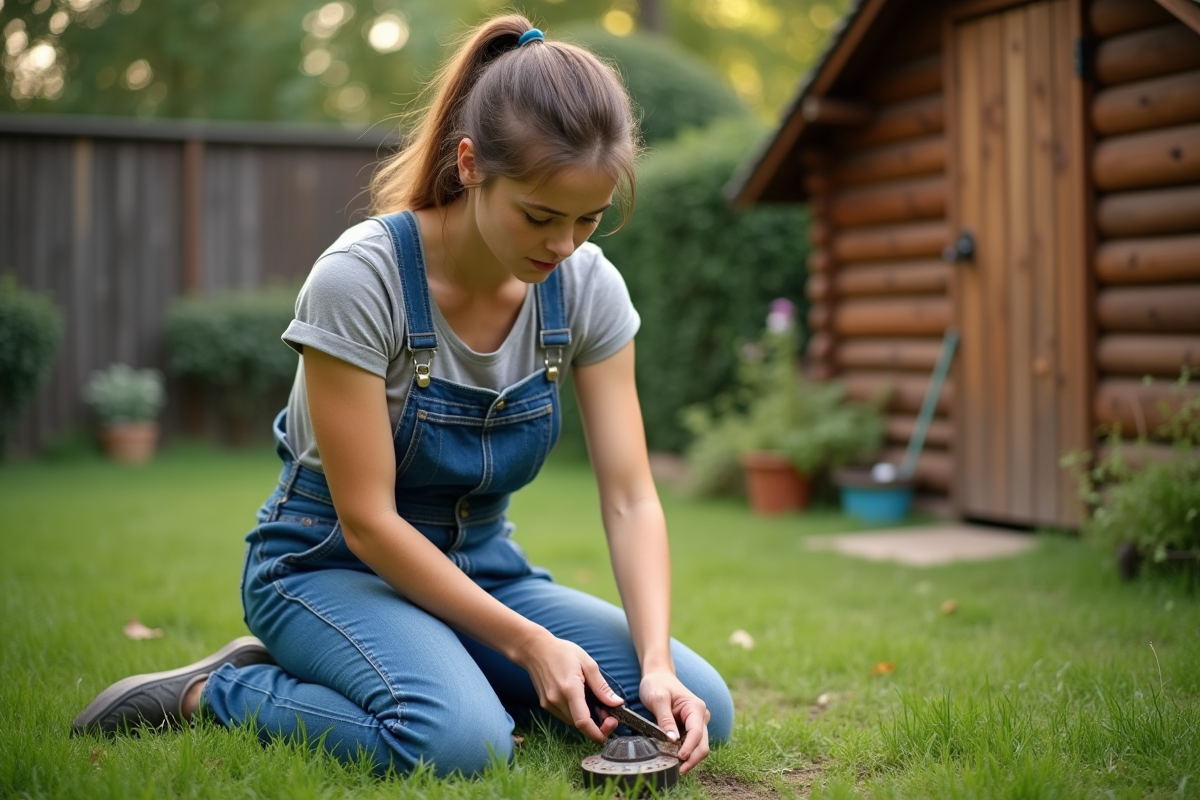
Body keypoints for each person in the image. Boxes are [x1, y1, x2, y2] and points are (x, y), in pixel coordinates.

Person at [73, 14, 734, 778]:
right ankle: (219, 689)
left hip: (483, 569)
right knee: (461, 743)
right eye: (540, 216)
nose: (564, 246)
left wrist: (654, 664)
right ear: (471, 164)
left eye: (588, 219)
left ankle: (455, 669)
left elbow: (630, 497)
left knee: (700, 706)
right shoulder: (361, 280)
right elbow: (368, 522)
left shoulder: (587, 287)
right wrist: (527, 643)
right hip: (329, 567)